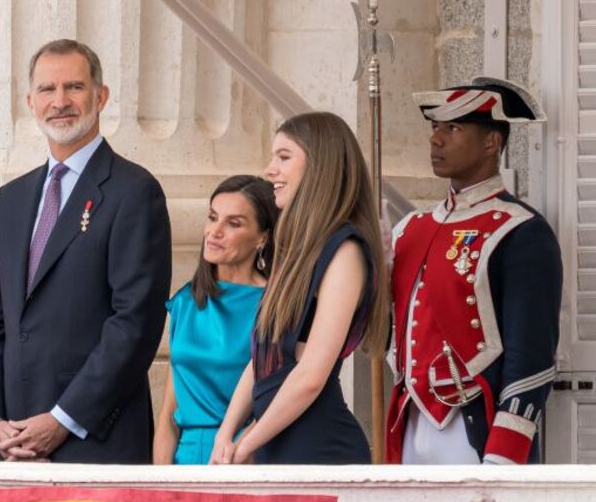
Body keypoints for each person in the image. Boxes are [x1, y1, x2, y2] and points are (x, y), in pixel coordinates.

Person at [0, 39, 172, 464]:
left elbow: (134, 325)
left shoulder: (134, 192)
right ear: (30, 102)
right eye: (47, 90)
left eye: (74, 87)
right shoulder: (9, 200)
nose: (59, 101)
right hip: (14, 446)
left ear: (101, 96)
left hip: (97, 442)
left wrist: (63, 419)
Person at [385, 78, 562, 464]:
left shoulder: (521, 230)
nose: (436, 140)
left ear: (491, 143)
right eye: (435, 128)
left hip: (477, 431)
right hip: (411, 422)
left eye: (453, 128)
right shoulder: (409, 229)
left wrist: (504, 454)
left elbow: (531, 356)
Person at [211, 112, 388, 465]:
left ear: (319, 165)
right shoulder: (295, 250)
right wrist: (225, 433)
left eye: (284, 157)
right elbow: (262, 357)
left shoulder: (345, 251)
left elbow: (310, 376)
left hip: (318, 449)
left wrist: (247, 444)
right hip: (274, 445)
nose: (269, 170)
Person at [153, 175, 277, 465]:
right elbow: (169, 413)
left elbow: (277, 405)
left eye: (233, 223)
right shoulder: (185, 301)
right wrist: (162, 484)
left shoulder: (274, 304)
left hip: (246, 458)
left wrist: (238, 454)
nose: (214, 231)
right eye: (212, 217)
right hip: (184, 462)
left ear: (263, 237)